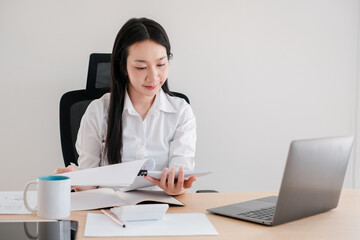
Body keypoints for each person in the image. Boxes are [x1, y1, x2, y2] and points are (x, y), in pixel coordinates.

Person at [55, 18, 197, 195]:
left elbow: (181, 174)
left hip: (163, 211)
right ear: (123, 66)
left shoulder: (181, 112)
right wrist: (77, 178)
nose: (153, 77)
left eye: (161, 64)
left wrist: (177, 187)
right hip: (109, 212)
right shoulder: (98, 112)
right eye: (141, 67)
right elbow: (89, 186)